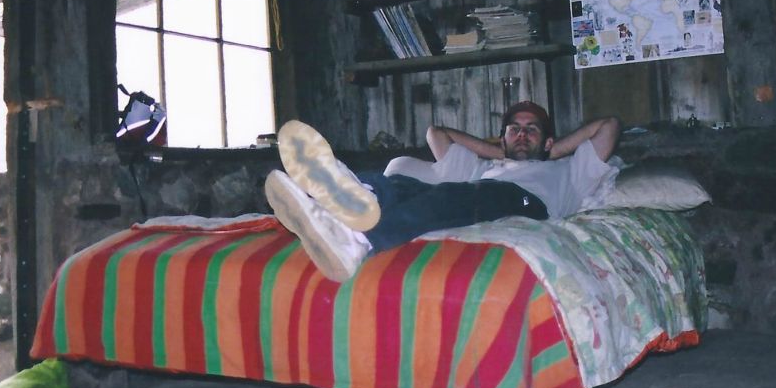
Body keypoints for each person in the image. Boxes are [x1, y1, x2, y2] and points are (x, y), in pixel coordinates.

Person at [264, 101, 621, 281]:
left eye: (532, 130)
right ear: (502, 138)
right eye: (514, 129)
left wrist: (551, 152)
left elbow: (609, 125)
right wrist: (497, 152)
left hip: (522, 201)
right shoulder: (488, 165)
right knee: (406, 184)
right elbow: (437, 134)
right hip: (480, 188)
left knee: (452, 195)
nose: (522, 135)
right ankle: (344, 203)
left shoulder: (567, 171)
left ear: (549, 140)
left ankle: (360, 241)